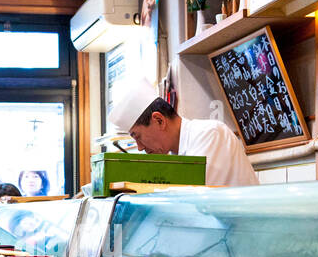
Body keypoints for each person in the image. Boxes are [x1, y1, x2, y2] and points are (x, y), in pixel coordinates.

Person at [107, 77, 259, 187]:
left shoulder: (210, 134)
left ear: (159, 120)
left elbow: (190, 197)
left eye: (138, 136)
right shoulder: (175, 154)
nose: (139, 147)